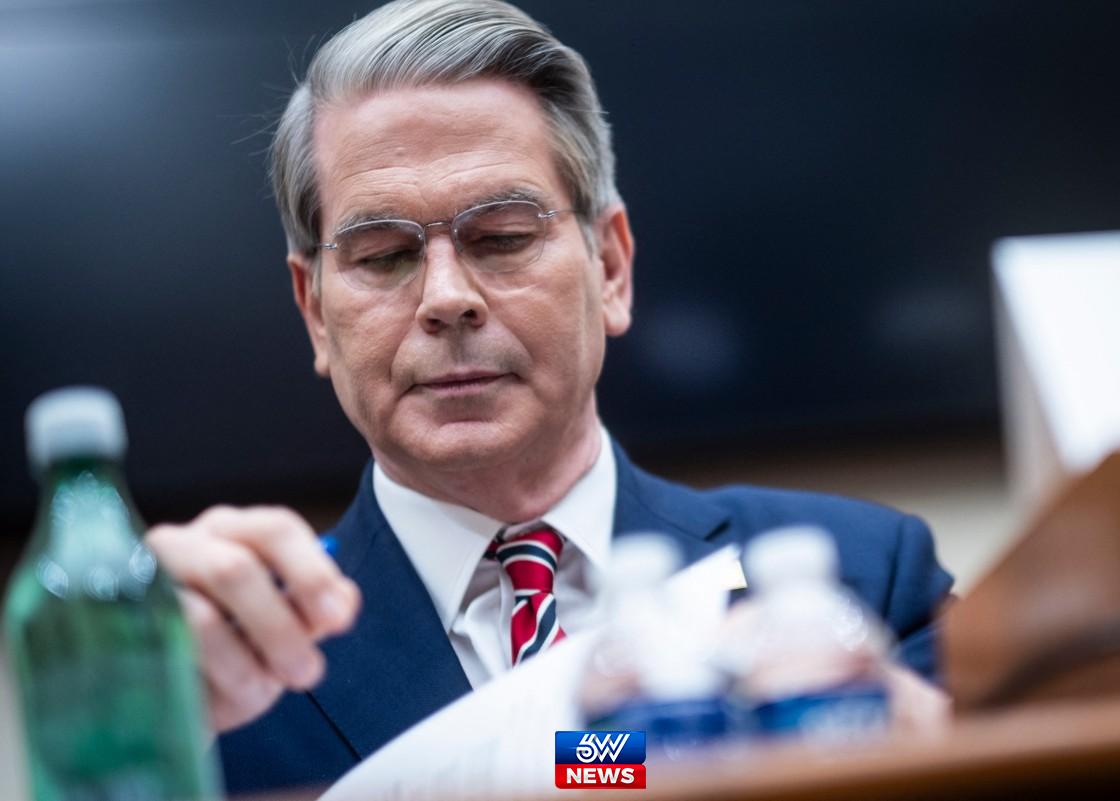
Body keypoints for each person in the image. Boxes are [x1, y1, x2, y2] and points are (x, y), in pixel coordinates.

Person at [144, 0, 955, 793]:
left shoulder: (862, 580)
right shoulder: (212, 666)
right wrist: (122, 702)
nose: (446, 298)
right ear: (316, 312)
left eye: (501, 237)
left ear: (611, 267)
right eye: (384, 254)